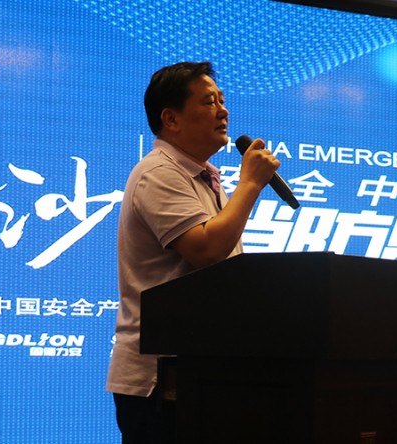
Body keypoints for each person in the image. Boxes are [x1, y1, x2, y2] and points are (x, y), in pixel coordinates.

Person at [105, 61, 280, 443]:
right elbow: (207, 249)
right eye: (209, 102)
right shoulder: (159, 172)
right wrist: (250, 183)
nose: (223, 111)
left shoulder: (201, 176)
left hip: (201, 370)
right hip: (159, 379)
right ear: (171, 119)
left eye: (222, 100)